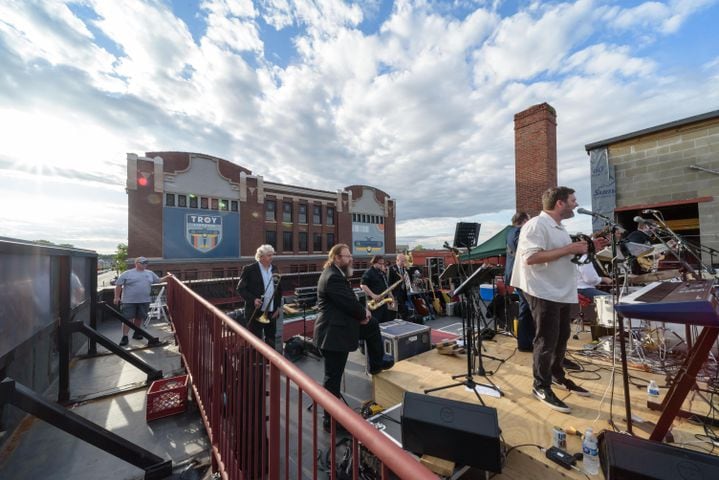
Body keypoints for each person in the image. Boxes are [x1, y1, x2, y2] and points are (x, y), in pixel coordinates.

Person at [511, 187, 607, 413]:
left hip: (561, 290)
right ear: (560, 203)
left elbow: (564, 255)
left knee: (562, 336)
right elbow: (530, 257)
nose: (576, 204)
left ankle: (556, 375)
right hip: (543, 290)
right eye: (573, 200)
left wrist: (590, 248)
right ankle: (540, 385)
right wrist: (569, 248)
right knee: (546, 340)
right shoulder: (536, 225)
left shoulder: (560, 228)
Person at [313, 244, 389, 433]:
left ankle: (376, 364)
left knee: (372, 327)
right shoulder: (332, 277)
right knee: (332, 378)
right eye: (347, 256)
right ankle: (329, 421)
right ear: (337, 257)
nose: (351, 259)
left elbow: (348, 300)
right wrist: (363, 314)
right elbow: (348, 303)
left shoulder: (336, 273)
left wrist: (364, 315)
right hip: (333, 335)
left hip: (341, 327)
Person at [236, 244, 283, 351]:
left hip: (271, 312)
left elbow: (279, 290)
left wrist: (278, 308)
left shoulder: (274, 269)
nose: (271, 257)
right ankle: (256, 364)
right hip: (255, 311)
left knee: (271, 338)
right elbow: (240, 288)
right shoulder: (249, 269)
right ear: (261, 257)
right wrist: (253, 299)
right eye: (268, 255)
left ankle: (270, 364)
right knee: (255, 341)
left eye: (272, 255)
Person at [113, 256, 164, 346]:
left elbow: (159, 280)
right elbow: (118, 285)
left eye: (146, 262)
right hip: (129, 301)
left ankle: (137, 333)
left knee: (139, 317)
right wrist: (117, 297)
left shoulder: (150, 273)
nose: (145, 264)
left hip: (144, 300)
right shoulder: (127, 273)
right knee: (127, 319)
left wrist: (169, 277)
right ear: (136, 264)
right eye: (143, 262)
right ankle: (125, 336)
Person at [505, 212, 534, 352]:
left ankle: (526, 341)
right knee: (527, 309)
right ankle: (525, 343)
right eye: (529, 220)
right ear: (524, 220)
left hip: (515, 275)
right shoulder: (518, 231)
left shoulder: (511, 232)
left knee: (526, 308)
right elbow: (519, 247)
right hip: (519, 276)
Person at [361, 255, 395, 323]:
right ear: (374, 262)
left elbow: (386, 285)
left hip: (383, 302)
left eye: (383, 263)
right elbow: (363, 285)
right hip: (374, 303)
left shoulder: (382, 272)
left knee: (385, 322)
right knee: (376, 322)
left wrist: (390, 294)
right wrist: (373, 295)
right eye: (380, 263)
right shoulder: (369, 272)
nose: (382, 265)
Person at [388, 253, 412, 320]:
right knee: (403, 310)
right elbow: (389, 283)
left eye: (404, 260)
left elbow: (408, 280)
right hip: (395, 293)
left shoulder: (405, 269)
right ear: (397, 260)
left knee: (402, 310)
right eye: (402, 261)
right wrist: (391, 294)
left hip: (404, 292)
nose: (403, 262)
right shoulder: (391, 269)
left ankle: (402, 321)